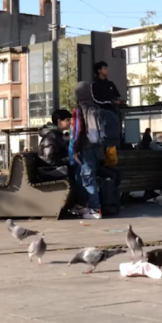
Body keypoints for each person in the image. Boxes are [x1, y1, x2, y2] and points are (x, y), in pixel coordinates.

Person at [71, 81, 105, 219]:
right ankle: (84, 205)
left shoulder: (79, 109)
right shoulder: (96, 108)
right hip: (97, 147)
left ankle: (95, 209)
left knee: (87, 179)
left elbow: (77, 130)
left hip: (85, 148)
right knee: (81, 176)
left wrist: (75, 149)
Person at [37, 109, 71, 179]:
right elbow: (49, 160)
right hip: (50, 171)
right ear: (59, 121)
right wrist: (69, 159)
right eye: (67, 120)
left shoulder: (57, 135)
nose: (70, 123)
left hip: (57, 168)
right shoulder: (51, 136)